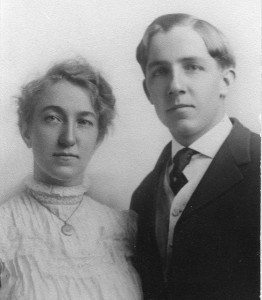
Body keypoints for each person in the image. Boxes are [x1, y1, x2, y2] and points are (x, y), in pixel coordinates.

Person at [130, 13, 260, 300]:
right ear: (147, 91)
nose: (175, 85)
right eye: (160, 71)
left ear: (225, 80)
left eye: (192, 67)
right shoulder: (144, 194)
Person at [0, 58, 142, 300]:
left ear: (98, 137)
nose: (68, 138)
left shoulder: (123, 230)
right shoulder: (5, 230)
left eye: (84, 122)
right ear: (26, 131)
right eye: (53, 118)